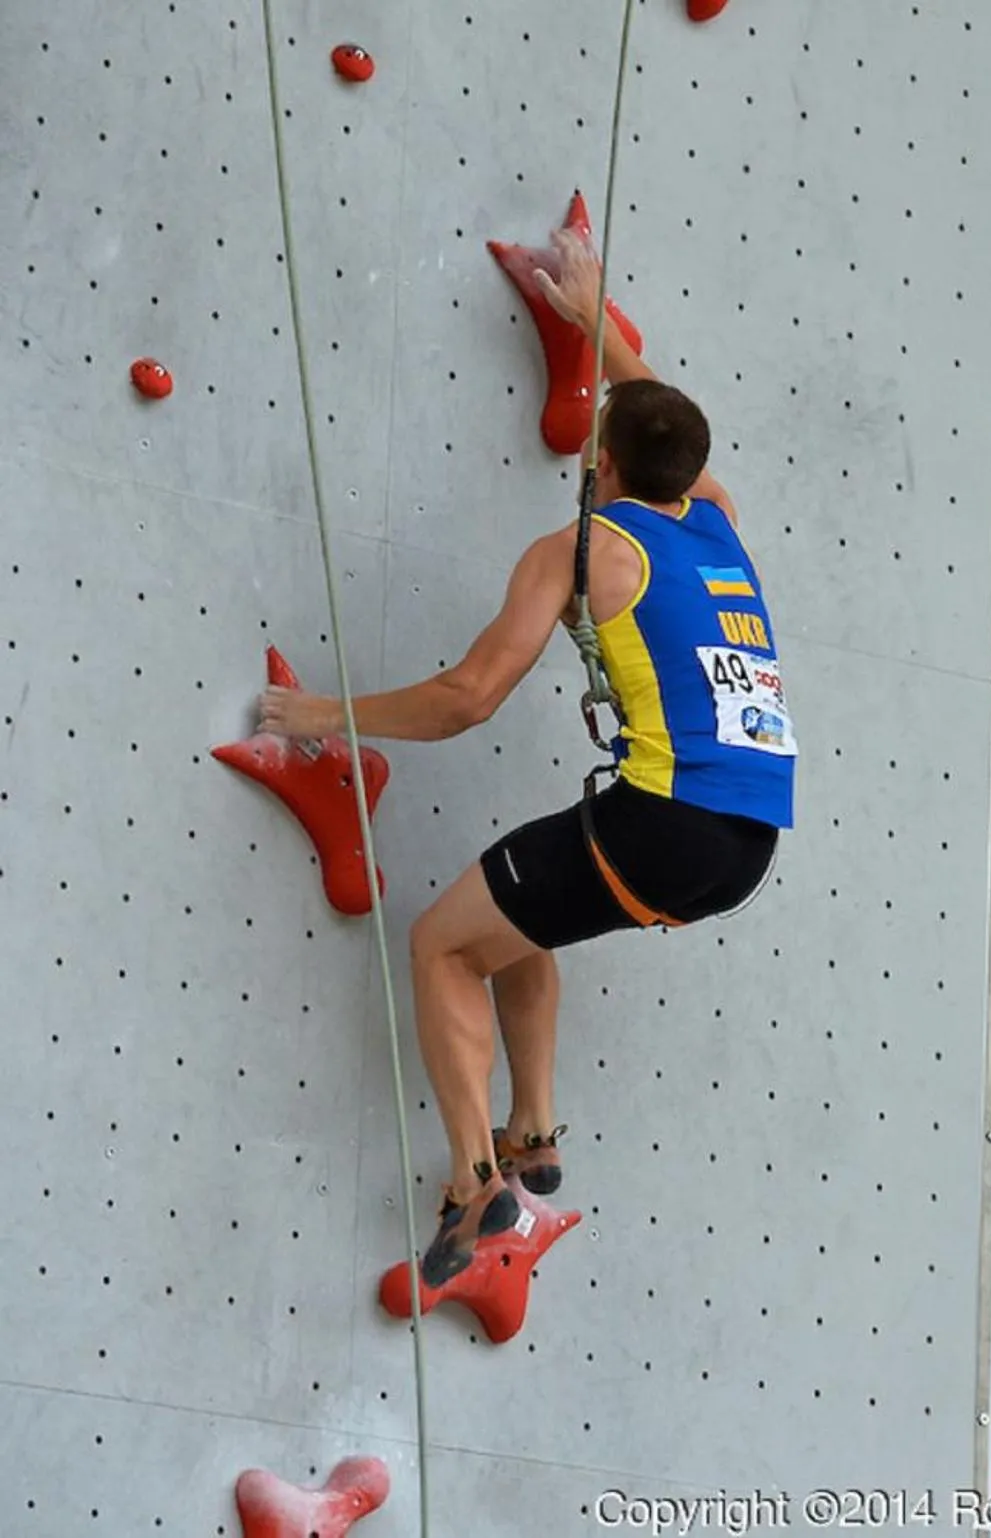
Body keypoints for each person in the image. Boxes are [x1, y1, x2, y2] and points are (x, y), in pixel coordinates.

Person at [258, 229, 796, 1281]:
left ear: (602, 463)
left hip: (663, 821)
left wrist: (322, 711)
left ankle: (476, 1190)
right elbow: (662, 424)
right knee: (513, 914)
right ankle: (533, 1134)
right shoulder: (717, 520)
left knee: (441, 946)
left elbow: (466, 698)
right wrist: (595, 321)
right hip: (745, 847)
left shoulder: (582, 549)